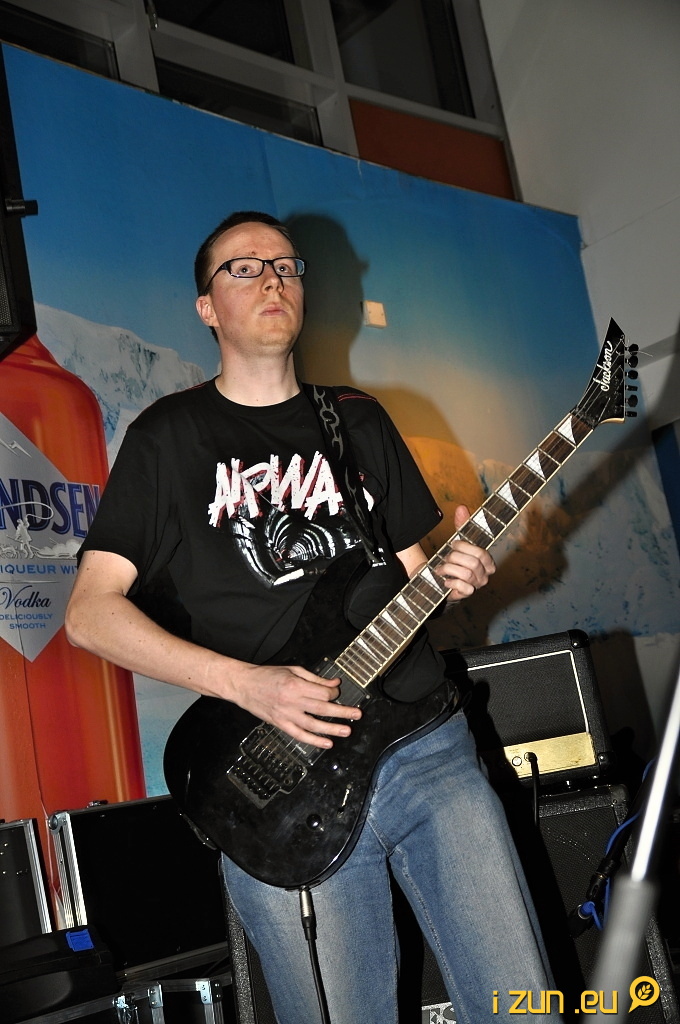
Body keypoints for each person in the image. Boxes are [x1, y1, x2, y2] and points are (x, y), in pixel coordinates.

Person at [65, 211, 559, 1022]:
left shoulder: (356, 419)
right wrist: (247, 685)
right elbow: (90, 615)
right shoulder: (167, 439)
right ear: (205, 306)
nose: (272, 278)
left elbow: (413, 577)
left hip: (424, 746)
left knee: (523, 1004)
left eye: (287, 266)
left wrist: (455, 574)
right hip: (279, 777)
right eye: (245, 267)